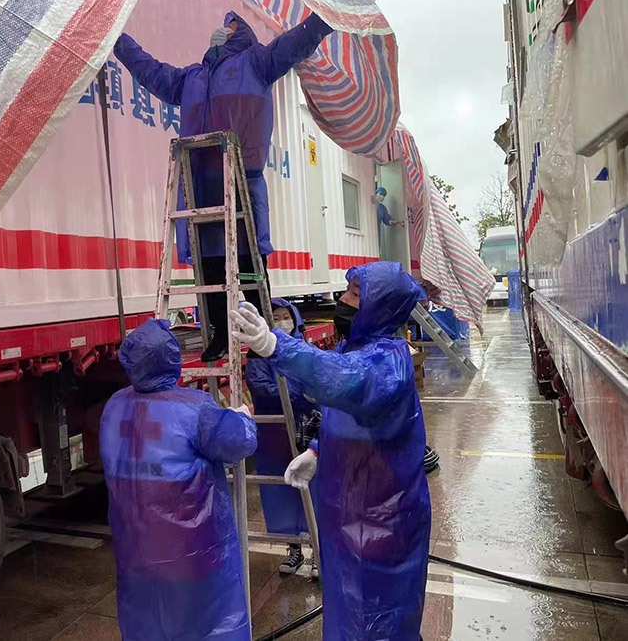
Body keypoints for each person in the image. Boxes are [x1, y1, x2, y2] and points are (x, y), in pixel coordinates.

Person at [115, 12, 333, 362]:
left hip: (240, 180)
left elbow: (295, 44)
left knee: (248, 262)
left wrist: (322, 20)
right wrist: (118, 41)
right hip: (200, 184)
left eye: (229, 25)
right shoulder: (192, 78)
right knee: (210, 265)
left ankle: (262, 337)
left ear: (239, 32)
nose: (220, 30)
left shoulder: (257, 63)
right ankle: (219, 332)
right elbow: (151, 72)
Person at [230, 262, 431, 641]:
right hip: (350, 517)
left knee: (379, 619)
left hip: (382, 523)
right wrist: (319, 451)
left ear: (378, 307)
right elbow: (352, 415)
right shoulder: (357, 349)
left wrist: (275, 345)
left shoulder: (387, 363)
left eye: (355, 294)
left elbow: (340, 380)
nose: (343, 299)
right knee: (347, 610)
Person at [99, 319, 257, 640]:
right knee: (204, 623)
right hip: (192, 551)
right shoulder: (193, 409)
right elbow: (240, 443)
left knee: (147, 622)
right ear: (173, 358)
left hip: (136, 550)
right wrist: (242, 417)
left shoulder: (114, 405)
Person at [246, 299, 323, 576]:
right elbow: (262, 388)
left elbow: (319, 379)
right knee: (281, 490)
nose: (281, 322)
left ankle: (319, 551)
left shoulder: (305, 348)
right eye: (275, 317)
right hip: (275, 433)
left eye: (285, 316)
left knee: (314, 489)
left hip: (307, 428)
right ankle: (294, 548)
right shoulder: (258, 354)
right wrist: (300, 396)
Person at [334, 288, 440, 475]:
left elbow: (364, 417)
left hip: (381, 470)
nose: (343, 299)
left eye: (355, 295)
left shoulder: (384, 357)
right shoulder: (348, 346)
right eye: (346, 290)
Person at [374, 187, 405, 260]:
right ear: (376, 193)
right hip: (368, 231)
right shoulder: (369, 204)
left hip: (376, 233)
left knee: (375, 251)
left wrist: (397, 222)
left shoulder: (382, 208)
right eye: (381, 194)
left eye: (384, 195)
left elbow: (387, 220)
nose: (382, 196)